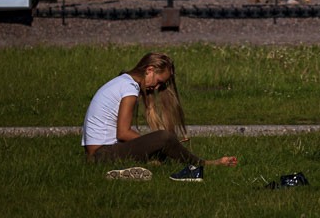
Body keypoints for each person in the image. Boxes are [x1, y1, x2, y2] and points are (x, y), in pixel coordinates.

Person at [82, 51, 238, 180]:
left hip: (100, 154)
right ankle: (206, 164)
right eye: (158, 82)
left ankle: (126, 171)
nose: (156, 88)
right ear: (149, 70)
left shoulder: (121, 81)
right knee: (164, 137)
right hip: (102, 154)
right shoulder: (129, 88)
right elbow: (123, 133)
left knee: (161, 148)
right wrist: (154, 143)